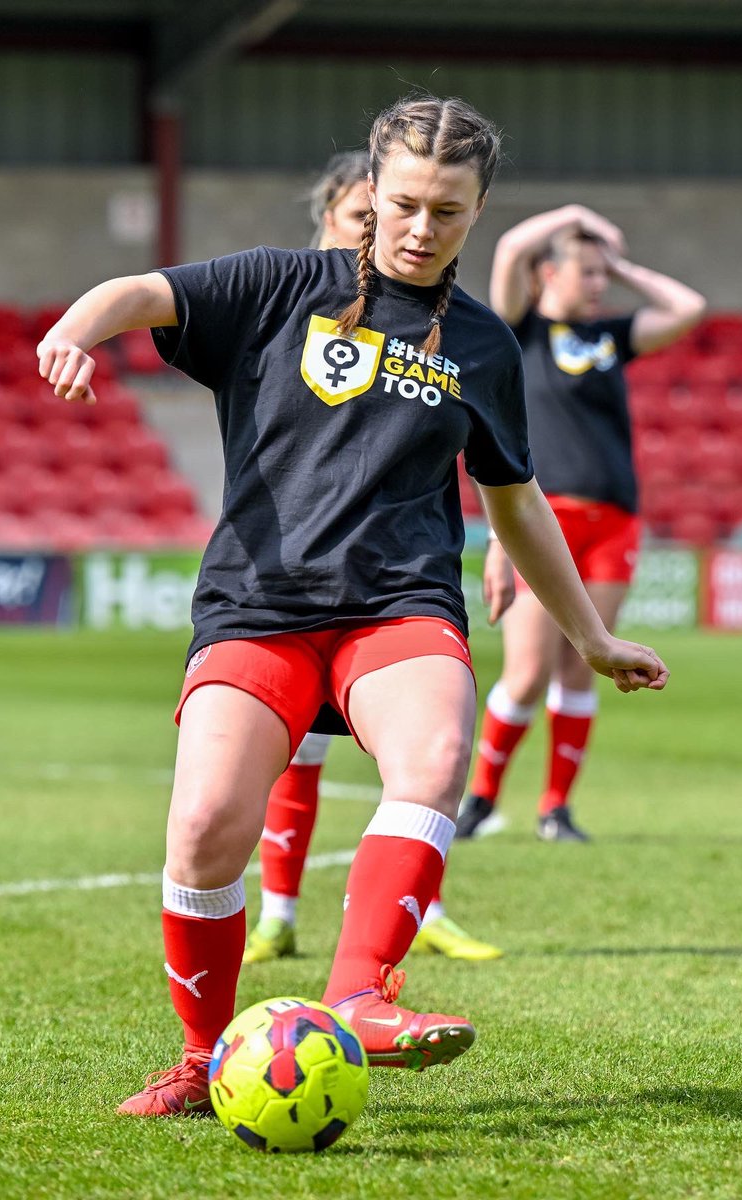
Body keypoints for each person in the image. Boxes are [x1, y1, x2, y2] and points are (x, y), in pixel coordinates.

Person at [37, 97, 669, 1119]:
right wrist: (74, 328)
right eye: (408, 204)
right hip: (258, 605)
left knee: (430, 760)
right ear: (371, 194)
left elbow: (514, 501)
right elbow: (135, 290)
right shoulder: (277, 287)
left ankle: (359, 995)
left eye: (450, 212)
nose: (423, 228)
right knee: (201, 827)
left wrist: (589, 636)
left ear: (478, 213)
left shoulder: (482, 344)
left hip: (399, 605)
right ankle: (204, 1062)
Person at [245, 149, 505, 966]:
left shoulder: (447, 331)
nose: (397, 235)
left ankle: (417, 914)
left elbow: (489, 459)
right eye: (366, 219)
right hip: (289, 580)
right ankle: (279, 912)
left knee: (428, 756)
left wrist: (502, 538)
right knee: (300, 752)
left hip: (396, 586)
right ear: (332, 225)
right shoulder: (293, 309)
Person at [456, 204, 703, 844]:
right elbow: (510, 247)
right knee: (529, 672)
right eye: (585, 272)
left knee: (580, 669)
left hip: (615, 520)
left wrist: (620, 265)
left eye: (602, 275)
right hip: (547, 521)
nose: (597, 285)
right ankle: (480, 799)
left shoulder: (610, 336)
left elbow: (688, 308)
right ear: (547, 274)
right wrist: (574, 215)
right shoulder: (520, 331)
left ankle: (556, 810)